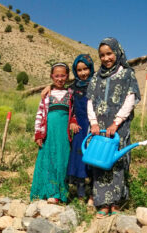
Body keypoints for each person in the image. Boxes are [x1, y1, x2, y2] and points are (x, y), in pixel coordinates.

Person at [86, 37, 141, 218]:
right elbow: (90, 101)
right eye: (102, 55)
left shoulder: (127, 74)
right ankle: (102, 202)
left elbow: (130, 99)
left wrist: (116, 122)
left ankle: (116, 203)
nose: (105, 58)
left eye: (109, 53)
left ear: (117, 52)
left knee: (116, 162)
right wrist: (93, 122)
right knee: (99, 162)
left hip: (119, 126)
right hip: (98, 127)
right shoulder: (95, 77)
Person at [30, 62, 78, 204]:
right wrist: (38, 133)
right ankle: (49, 192)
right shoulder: (47, 94)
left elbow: (73, 112)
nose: (59, 79)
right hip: (49, 133)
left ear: (67, 76)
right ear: (52, 77)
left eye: (63, 75)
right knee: (48, 160)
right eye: (56, 76)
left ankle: (60, 193)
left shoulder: (70, 94)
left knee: (62, 160)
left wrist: (73, 122)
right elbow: (40, 114)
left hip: (63, 135)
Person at [66, 54, 95, 206]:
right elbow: (69, 109)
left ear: (91, 68)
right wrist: (72, 121)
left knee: (93, 161)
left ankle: (92, 195)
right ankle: (81, 195)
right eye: (79, 70)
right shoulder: (72, 89)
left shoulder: (97, 84)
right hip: (79, 129)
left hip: (95, 128)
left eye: (85, 69)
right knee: (79, 161)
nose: (83, 73)